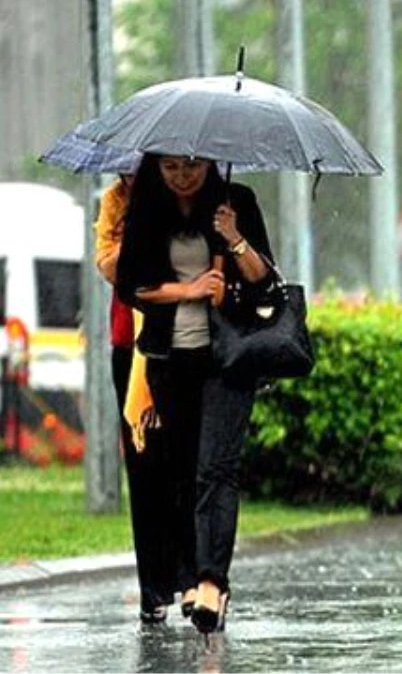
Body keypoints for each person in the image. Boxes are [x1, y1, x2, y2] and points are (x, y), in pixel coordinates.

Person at [116, 154, 274, 633]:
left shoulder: (236, 201)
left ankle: (212, 584)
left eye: (191, 166)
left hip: (227, 359)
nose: (182, 176)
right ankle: (186, 577)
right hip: (170, 360)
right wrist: (186, 291)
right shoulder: (147, 210)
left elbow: (264, 279)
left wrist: (233, 238)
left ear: (209, 163)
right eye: (170, 168)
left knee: (217, 469)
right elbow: (131, 286)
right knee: (181, 469)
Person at [95, 173, 199, 624]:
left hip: (187, 339)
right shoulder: (116, 202)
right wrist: (140, 239)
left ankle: (195, 579)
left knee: (186, 463)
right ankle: (153, 587)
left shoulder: (189, 199)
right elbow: (110, 266)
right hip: (132, 344)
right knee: (142, 464)